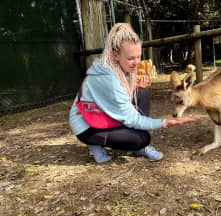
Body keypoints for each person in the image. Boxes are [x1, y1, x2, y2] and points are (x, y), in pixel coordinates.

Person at [69, 23, 193, 163]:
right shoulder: (108, 78)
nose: (136, 62)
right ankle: (96, 143)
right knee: (141, 139)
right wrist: (164, 122)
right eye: (131, 58)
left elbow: (121, 93)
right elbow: (132, 119)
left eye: (138, 56)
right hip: (86, 125)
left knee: (141, 92)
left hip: (97, 114)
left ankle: (129, 142)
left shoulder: (112, 65)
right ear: (116, 55)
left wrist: (134, 85)